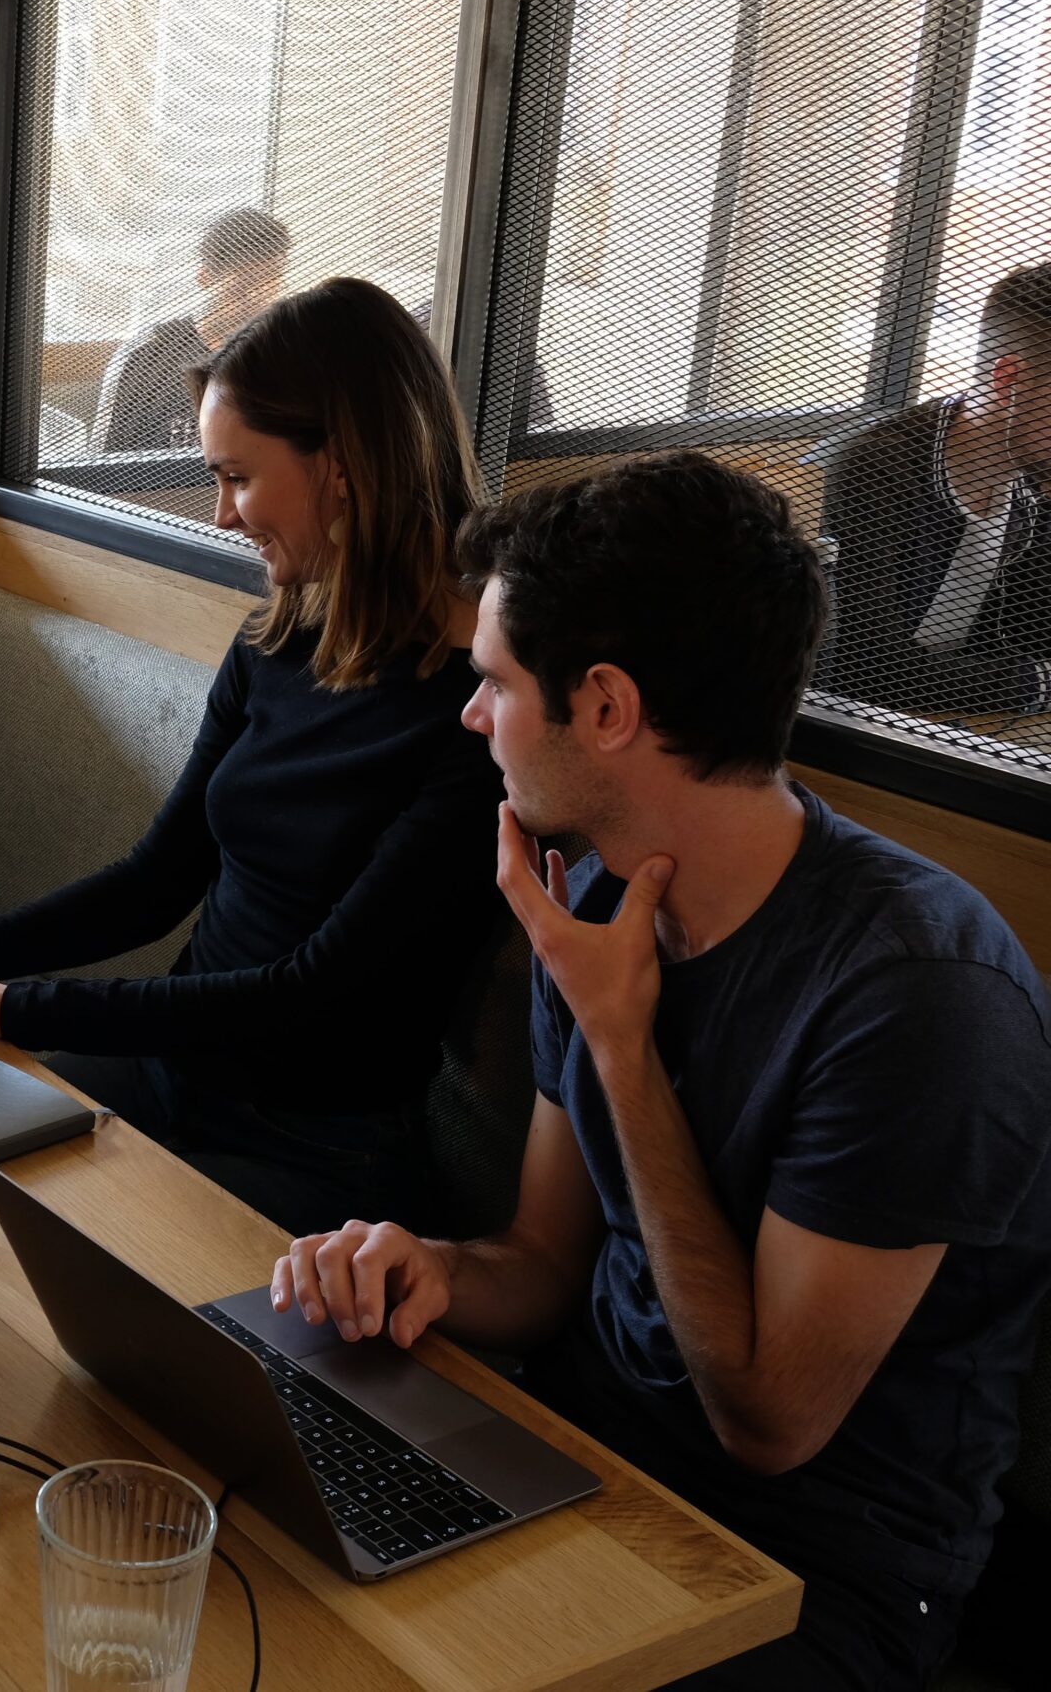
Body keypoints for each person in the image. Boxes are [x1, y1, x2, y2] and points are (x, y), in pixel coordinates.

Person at [275, 451, 1051, 1687]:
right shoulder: (591, 892)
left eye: (492, 682)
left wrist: (623, 1042)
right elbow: (540, 1266)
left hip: (807, 1575)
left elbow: (766, 1422)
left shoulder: (920, 997)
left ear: (606, 707)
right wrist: (422, 1267)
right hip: (576, 1453)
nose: (471, 716)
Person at [0, 278, 507, 1237]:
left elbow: (309, 991)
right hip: (166, 1072)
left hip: (317, 1148)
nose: (219, 515)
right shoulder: (278, 644)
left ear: (343, 468)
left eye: (240, 477)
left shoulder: (480, 716)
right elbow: (154, 880)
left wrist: (12, 1007)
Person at [821, 262, 1051, 717]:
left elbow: (1035, 633)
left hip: (974, 728)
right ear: (1008, 380)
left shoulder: (1033, 480)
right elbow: (872, 672)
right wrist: (1034, 681)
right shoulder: (879, 466)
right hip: (863, 745)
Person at [89, 206, 291, 453]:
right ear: (205, 277)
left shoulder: (284, 354)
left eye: (272, 279)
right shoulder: (148, 356)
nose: (258, 297)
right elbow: (103, 461)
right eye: (244, 285)